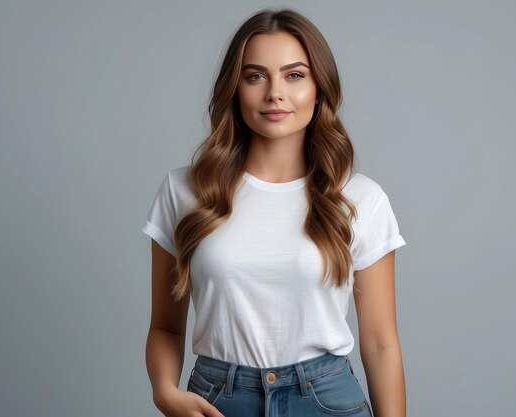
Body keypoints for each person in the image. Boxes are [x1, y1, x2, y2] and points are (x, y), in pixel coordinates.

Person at [141, 8, 407, 417]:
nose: (274, 93)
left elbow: (380, 342)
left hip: (326, 401)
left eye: (294, 75)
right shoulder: (184, 192)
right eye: (255, 76)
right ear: (236, 88)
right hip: (216, 401)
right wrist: (164, 392)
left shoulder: (360, 199)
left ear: (319, 89)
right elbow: (166, 325)